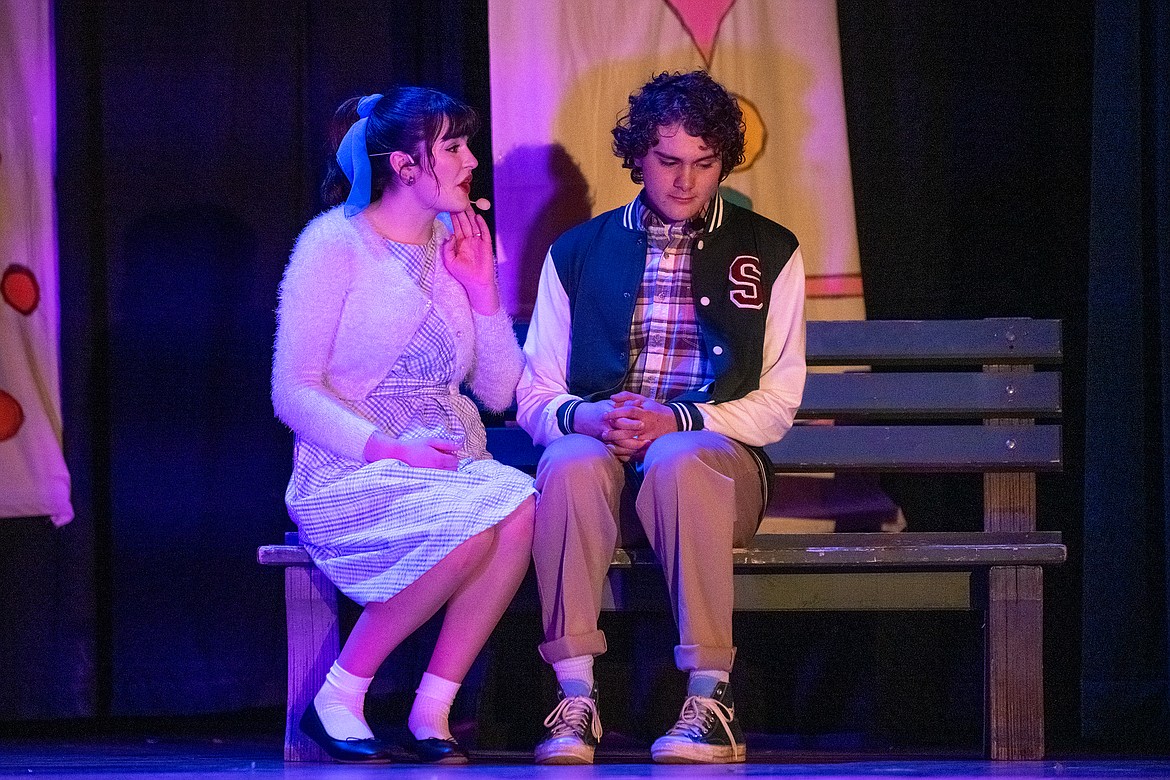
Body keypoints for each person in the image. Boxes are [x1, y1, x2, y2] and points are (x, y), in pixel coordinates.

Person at [516, 70, 806, 765]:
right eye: (670, 162)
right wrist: (581, 419)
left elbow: (777, 404)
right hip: (606, 464)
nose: (686, 182)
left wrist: (676, 422)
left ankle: (711, 697)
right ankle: (575, 697)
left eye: (704, 164)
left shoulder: (769, 251)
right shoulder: (579, 251)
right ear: (639, 157)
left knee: (678, 460)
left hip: (712, 470)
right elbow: (533, 397)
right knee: (567, 461)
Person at [272, 87, 536, 764]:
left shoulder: (461, 239)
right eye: (452, 147)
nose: (470, 160)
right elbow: (292, 392)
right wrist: (389, 447)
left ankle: (432, 709)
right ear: (404, 165)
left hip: (449, 459)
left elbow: (502, 389)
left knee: (518, 506)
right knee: (477, 517)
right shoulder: (333, 246)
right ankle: (340, 693)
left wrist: (482, 292)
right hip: (351, 462)